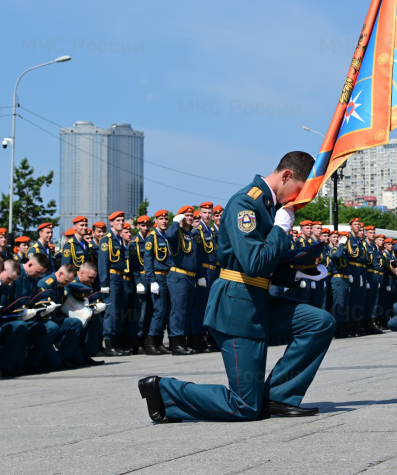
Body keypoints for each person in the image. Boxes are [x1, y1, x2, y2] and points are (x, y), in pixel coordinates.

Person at [138, 151, 336, 423]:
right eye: (299, 191)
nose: (299, 200)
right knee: (244, 406)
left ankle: (278, 396)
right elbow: (254, 263)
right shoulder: (247, 203)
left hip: (258, 302)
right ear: (287, 175)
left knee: (319, 322)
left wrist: (299, 271)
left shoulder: (269, 207)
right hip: (237, 308)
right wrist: (279, 230)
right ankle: (163, 391)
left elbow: (265, 264)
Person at [164, 206, 199, 355]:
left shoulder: (190, 234)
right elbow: (169, 236)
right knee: (178, 311)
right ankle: (176, 344)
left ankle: (183, 343)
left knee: (186, 312)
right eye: (187, 216)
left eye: (191, 216)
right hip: (178, 276)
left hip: (190, 277)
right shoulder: (176, 232)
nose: (190, 218)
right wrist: (175, 222)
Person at [98, 211, 131, 357]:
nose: (121, 222)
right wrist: (104, 282)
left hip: (119, 277)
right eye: (118, 220)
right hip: (111, 277)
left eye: (122, 220)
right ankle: (110, 345)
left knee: (118, 311)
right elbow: (103, 262)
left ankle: (116, 343)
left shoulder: (118, 240)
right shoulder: (107, 240)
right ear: (111, 223)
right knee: (111, 312)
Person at [143, 210, 173, 355]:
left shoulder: (167, 236)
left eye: (166, 219)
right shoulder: (152, 237)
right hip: (158, 277)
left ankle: (160, 341)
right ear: (156, 220)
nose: (164, 221)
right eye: (161, 219)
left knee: (166, 311)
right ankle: (151, 342)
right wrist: (152, 281)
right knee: (159, 310)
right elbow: (147, 261)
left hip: (168, 276)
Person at [191, 202, 218, 353]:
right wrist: (200, 275)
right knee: (200, 308)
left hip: (212, 272)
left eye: (209, 213)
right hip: (204, 272)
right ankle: (197, 341)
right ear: (200, 214)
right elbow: (197, 256)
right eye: (205, 213)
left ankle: (206, 339)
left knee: (208, 308)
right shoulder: (198, 231)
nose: (207, 215)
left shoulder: (210, 231)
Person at [125, 215, 152, 355]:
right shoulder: (134, 243)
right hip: (140, 276)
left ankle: (147, 339)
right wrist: (138, 282)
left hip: (150, 276)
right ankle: (137, 342)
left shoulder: (151, 240)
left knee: (150, 311)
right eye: (143, 225)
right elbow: (134, 266)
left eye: (147, 225)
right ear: (138, 226)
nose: (146, 228)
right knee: (140, 312)